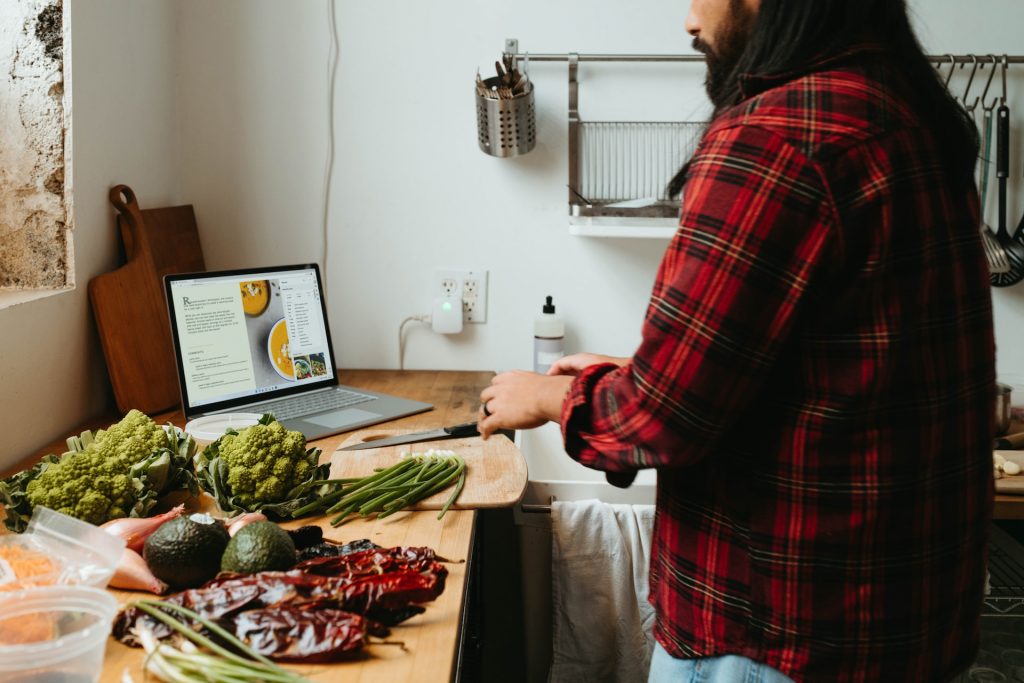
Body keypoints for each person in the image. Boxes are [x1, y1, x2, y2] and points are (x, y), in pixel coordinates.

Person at [478, 0, 995, 681]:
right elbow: (839, 371)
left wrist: (549, 395)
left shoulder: (777, 134)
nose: (689, 21)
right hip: (907, 634)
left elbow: (666, 416)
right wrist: (634, 369)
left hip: (773, 642)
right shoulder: (910, 116)